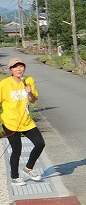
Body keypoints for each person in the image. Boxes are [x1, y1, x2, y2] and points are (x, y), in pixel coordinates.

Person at [0, 56, 45, 186]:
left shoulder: (29, 80)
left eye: (21, 66)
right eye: (15, 67)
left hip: (26, 121)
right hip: (10, 122)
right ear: (11, 70)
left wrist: (29, 92)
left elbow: (32, 100)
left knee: (40, 143)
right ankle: (15, 177)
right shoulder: (4, 84)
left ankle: (28, 169)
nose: (19, 69)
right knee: (17, 150)